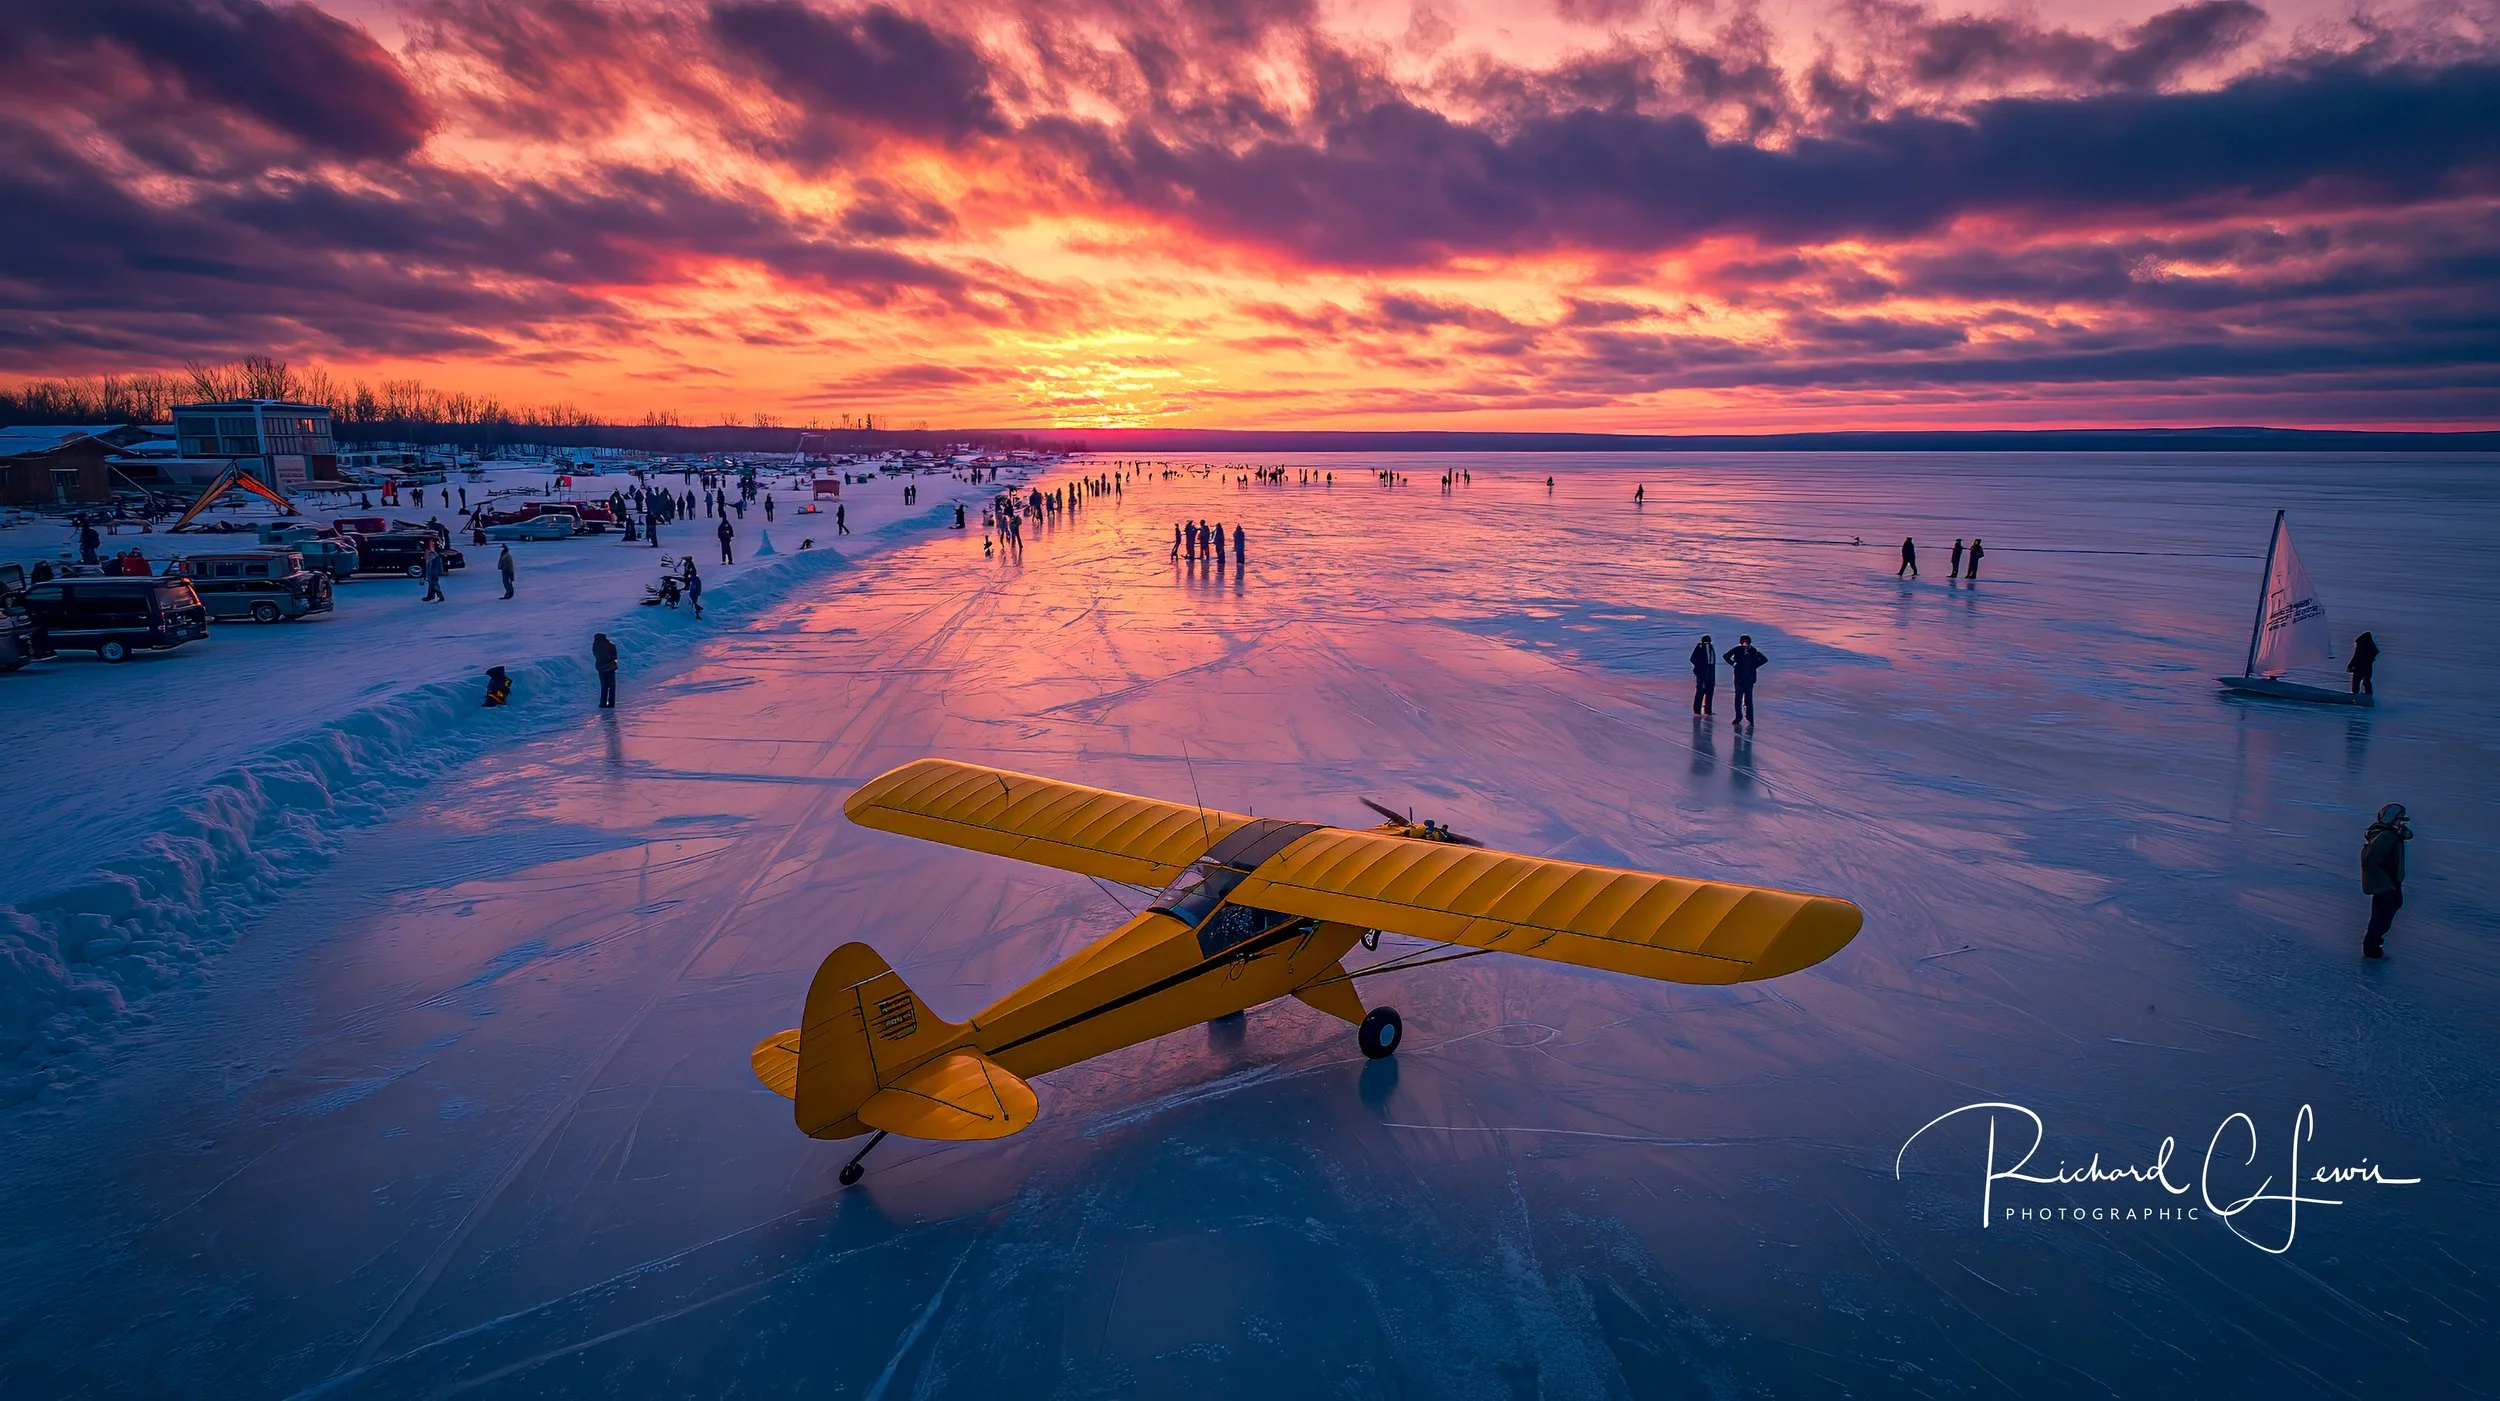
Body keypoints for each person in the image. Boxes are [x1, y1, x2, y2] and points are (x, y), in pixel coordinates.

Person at [2360, 802, 2411, 958]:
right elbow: (2369, 859)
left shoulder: (2391, 834)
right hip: (2385, 884)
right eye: (2399, 820)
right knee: (2381, 917)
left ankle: (2374, 944)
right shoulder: (2386, 836)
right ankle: (2372, 948)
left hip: (2390, 882)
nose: (2400, 823)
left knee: (2388, 911)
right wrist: (2385, 882)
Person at [1726, 635, 1767, 726]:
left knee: (1748, 699)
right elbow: (1726, 656)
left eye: (1747, 642)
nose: (1745, 644)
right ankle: (1738, 717)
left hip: (1749, 679)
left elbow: (1764, 659)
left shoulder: (1753, 651)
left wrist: (1754, 666)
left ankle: (1750, 718)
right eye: (1743, 642)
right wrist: (1734, 664)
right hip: (1739, 679)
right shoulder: (1737, 649)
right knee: (1738, 699)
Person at [1689, 635, 1717, 717]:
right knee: (1700, 692)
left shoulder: (1711, 647)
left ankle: (1708, 710)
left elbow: (1711, 661)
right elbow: (1693, 659)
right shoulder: (1700, 648)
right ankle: (1697, 710)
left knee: (1710, 692)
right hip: (1702, 674)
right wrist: (1699, 668)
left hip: (1711, 673)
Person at [2348, 632, 2379, 696]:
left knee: (2357, 682)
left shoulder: (2361, 645)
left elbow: (2356, 656)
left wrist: (2350, 665)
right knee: (2366, 682)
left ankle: (2355, 696)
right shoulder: (2371, 649)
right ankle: (2368, 696)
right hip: (2367, 669)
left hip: (2359, 668)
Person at [593, 632, 619, 708]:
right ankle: (611, 703)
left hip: (600, 668)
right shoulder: (610, 645)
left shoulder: (595, 646)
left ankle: (603, 703)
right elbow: (614, 656)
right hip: (610, 667)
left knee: (604, 686)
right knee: (612, 686)